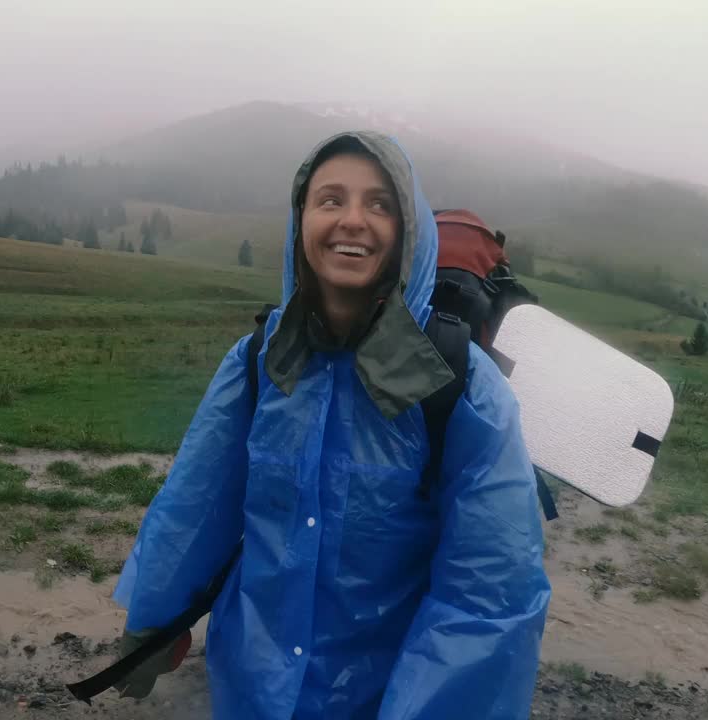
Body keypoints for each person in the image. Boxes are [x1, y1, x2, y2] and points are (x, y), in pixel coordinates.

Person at [109, 131, 552, 719]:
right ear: (302, 224)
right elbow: (196, 505)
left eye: (378, 204)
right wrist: (152, 621)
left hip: (389, 698)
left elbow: (489, 596)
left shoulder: (461, 387)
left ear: (408, 233)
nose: (352, 220)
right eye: (330, 200)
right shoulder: (257, 362)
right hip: (252, 691)